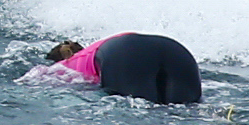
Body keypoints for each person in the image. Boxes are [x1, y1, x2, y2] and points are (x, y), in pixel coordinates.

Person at [20, 32, 203, 104]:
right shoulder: (93, 50)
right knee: (190, 108)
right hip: (175, 49)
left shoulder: (63, 67)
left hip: (124, 53)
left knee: (151, 110)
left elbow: (35, 81)